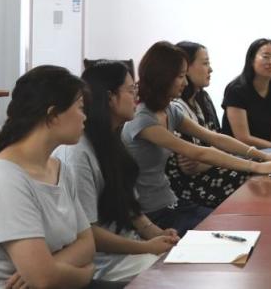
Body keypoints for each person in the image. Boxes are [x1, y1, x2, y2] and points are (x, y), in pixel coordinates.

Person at [0, 66, 109, 289]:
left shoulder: (58, 168)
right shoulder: (5, 181)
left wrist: (50, 267)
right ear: (53, 115)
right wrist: (85, 274)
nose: (85, 117)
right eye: (80, 108)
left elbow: (87, 244)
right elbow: (42, 280)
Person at [122, 41, 271, 236]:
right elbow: (198, 152)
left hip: (173, 203)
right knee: (234, 231)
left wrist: (264, 157)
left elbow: (214, 138)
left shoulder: (168, 110)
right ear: (163, 77)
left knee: (239, 227)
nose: (185, 82)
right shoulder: (144, 120)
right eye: (180, 76)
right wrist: (256, 166)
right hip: (154, 214)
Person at [55, 61, 179, 283]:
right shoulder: (77, 153)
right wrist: (146, 247)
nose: (137, 97)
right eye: (131, 90)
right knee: (173, 279)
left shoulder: (113, 138)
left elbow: (129, 206)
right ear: (110, 98)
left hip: (128, 251)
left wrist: (156, 233)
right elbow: (88, 232)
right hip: (104, 263)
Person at [165, 41, 248, 208]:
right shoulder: (175, 106)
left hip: (211, 169)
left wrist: (215, 155)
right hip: (189, 184)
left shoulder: (203, 98)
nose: (210, 69)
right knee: (250, 175)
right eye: (205, 63)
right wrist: (216, 154)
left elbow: (218, 139)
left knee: (256, 168)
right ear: (185, 68)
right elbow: (190, 166)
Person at [221, 38, 271, 148]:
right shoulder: (236, 90)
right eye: (266, 57)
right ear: (251, 60)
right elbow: (243, 138)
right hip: (241, 153)